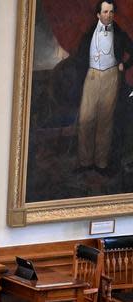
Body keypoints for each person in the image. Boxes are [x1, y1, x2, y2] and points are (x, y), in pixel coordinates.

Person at [72, 1, 132, 173]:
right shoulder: (89, 33)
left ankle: (101, 164)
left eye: (111, 12)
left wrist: (125, 65)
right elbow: (80, 56)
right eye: (105, 12)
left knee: (105, 121)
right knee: (85, 120)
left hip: (111, 76)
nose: (109, 15)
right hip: (91, 76)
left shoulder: (119, 32)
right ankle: (85, 162)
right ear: (98, 14)